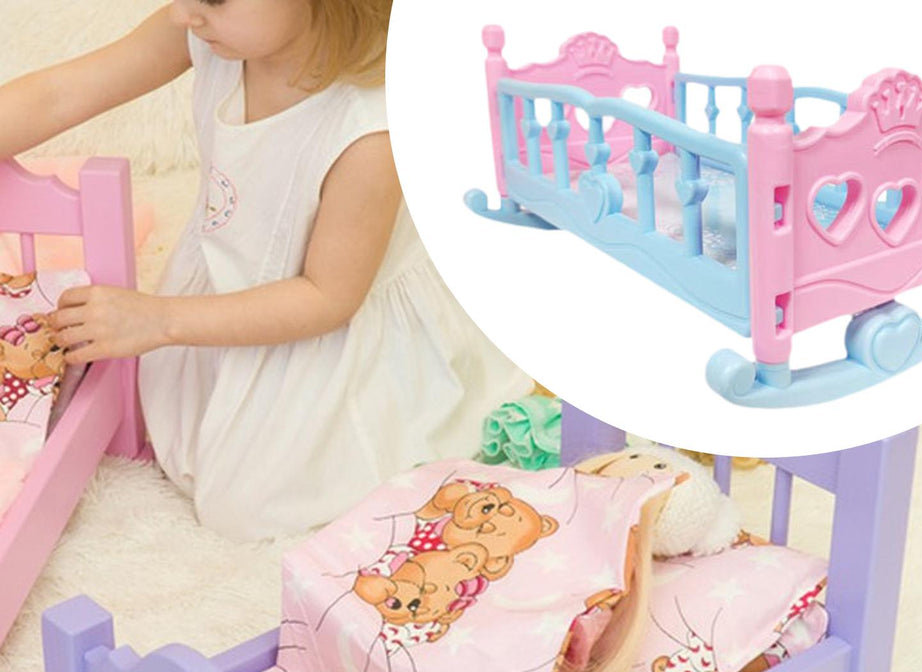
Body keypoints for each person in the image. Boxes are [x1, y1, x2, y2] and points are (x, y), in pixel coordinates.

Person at [0, 0, 530, 540]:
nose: (183, 13)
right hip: (231, 277)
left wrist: (158, 320)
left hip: (324, 319)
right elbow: (58, 95)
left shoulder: (368, 131)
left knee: (246, 505)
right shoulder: (211, 34)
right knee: (165, 415)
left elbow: (327, 297)